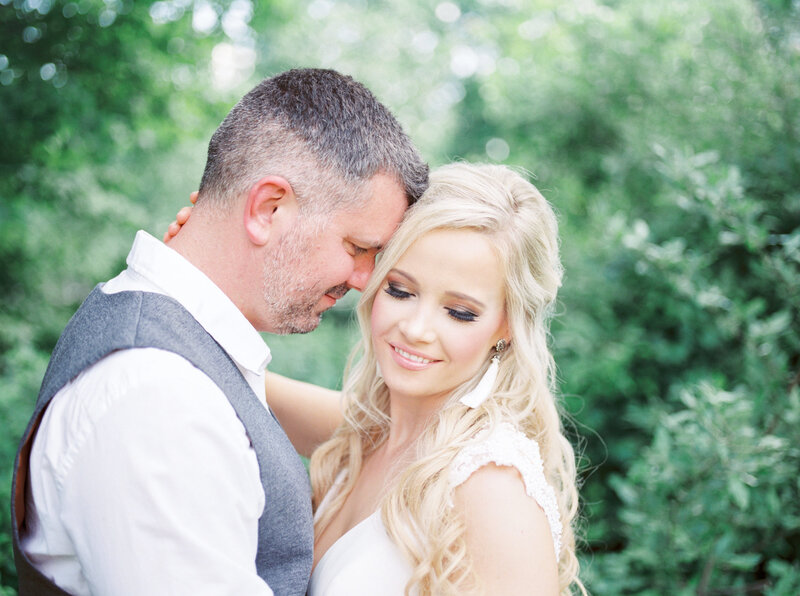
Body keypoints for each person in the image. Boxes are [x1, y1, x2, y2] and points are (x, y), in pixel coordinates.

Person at [11, 68, 428, 596]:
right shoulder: (158, 397)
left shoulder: (182, 353)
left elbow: (383, 432)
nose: (365, 280)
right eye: (356, 247)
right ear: (268, 208)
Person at [179, 162, 583, 594]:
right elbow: (238, 380)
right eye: (400, 291)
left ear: (506, 329)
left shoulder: (491, 487)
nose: (416, 328)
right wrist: (202, 253)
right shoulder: (367, 432)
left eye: (459, 312)